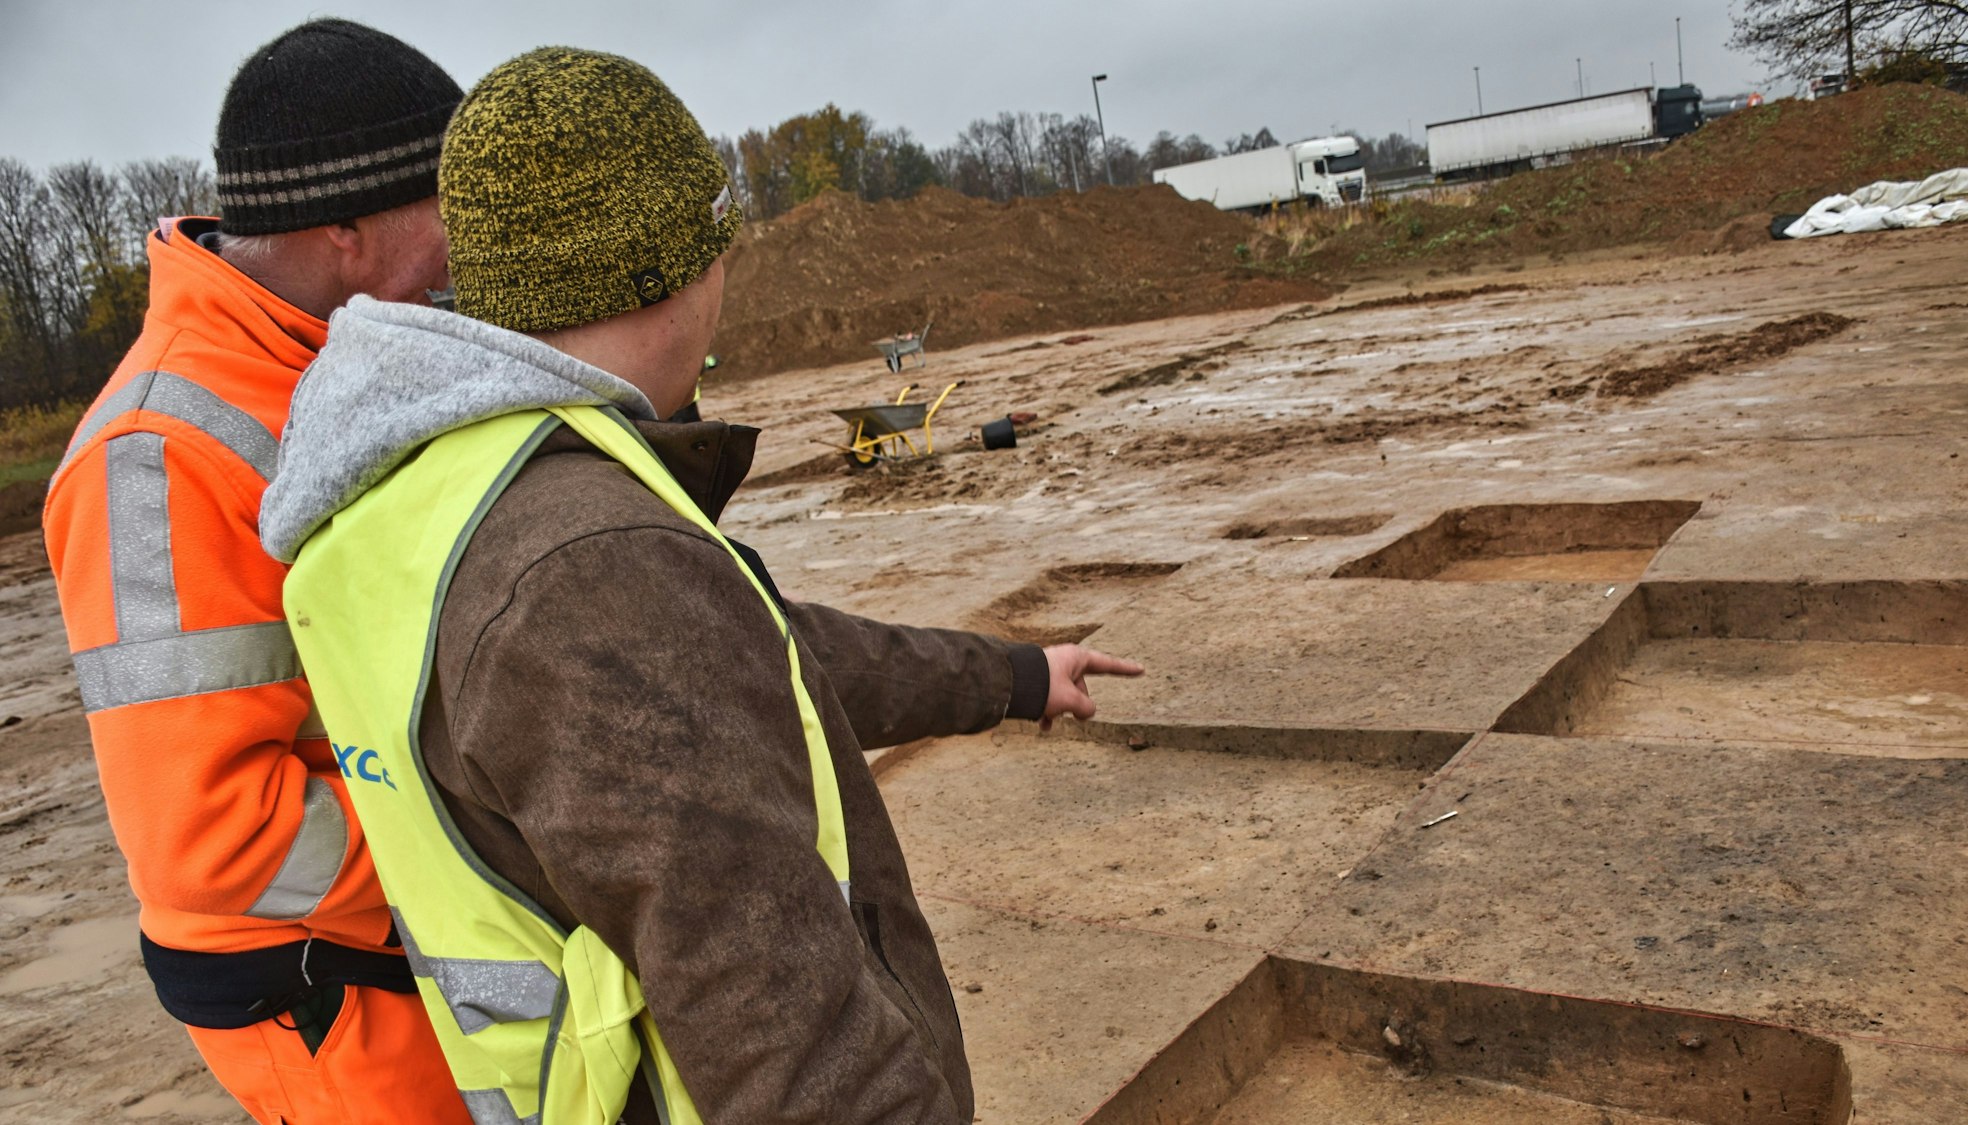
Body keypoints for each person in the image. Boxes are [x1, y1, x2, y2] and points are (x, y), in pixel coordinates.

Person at [257, 48, 1142, 1125]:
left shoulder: (438, 495)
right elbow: (791, 1045)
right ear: (679, 268)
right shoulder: (589, 571)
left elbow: (747, 660)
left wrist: (1008, 676)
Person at [41, 19, 472, 1125]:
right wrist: (488, 840)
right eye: (448, 207)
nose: (468, 247)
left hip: (407, 941)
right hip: (330, 991)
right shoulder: (153, 458)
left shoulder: (341, 363)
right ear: (344, 227)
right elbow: (211, 836)